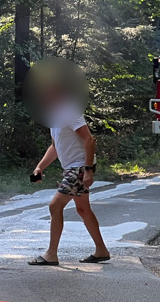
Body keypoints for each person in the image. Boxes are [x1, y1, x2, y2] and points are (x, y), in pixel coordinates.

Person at [28, 113, 110, 266]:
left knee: (55, 206)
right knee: (83, 209)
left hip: (79, 168)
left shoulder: (69, 112)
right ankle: (101, 250)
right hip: (71, 169)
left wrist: (88, 170)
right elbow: (55, 147)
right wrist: (40, 167)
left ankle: (51, 254)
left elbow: (89, 140)